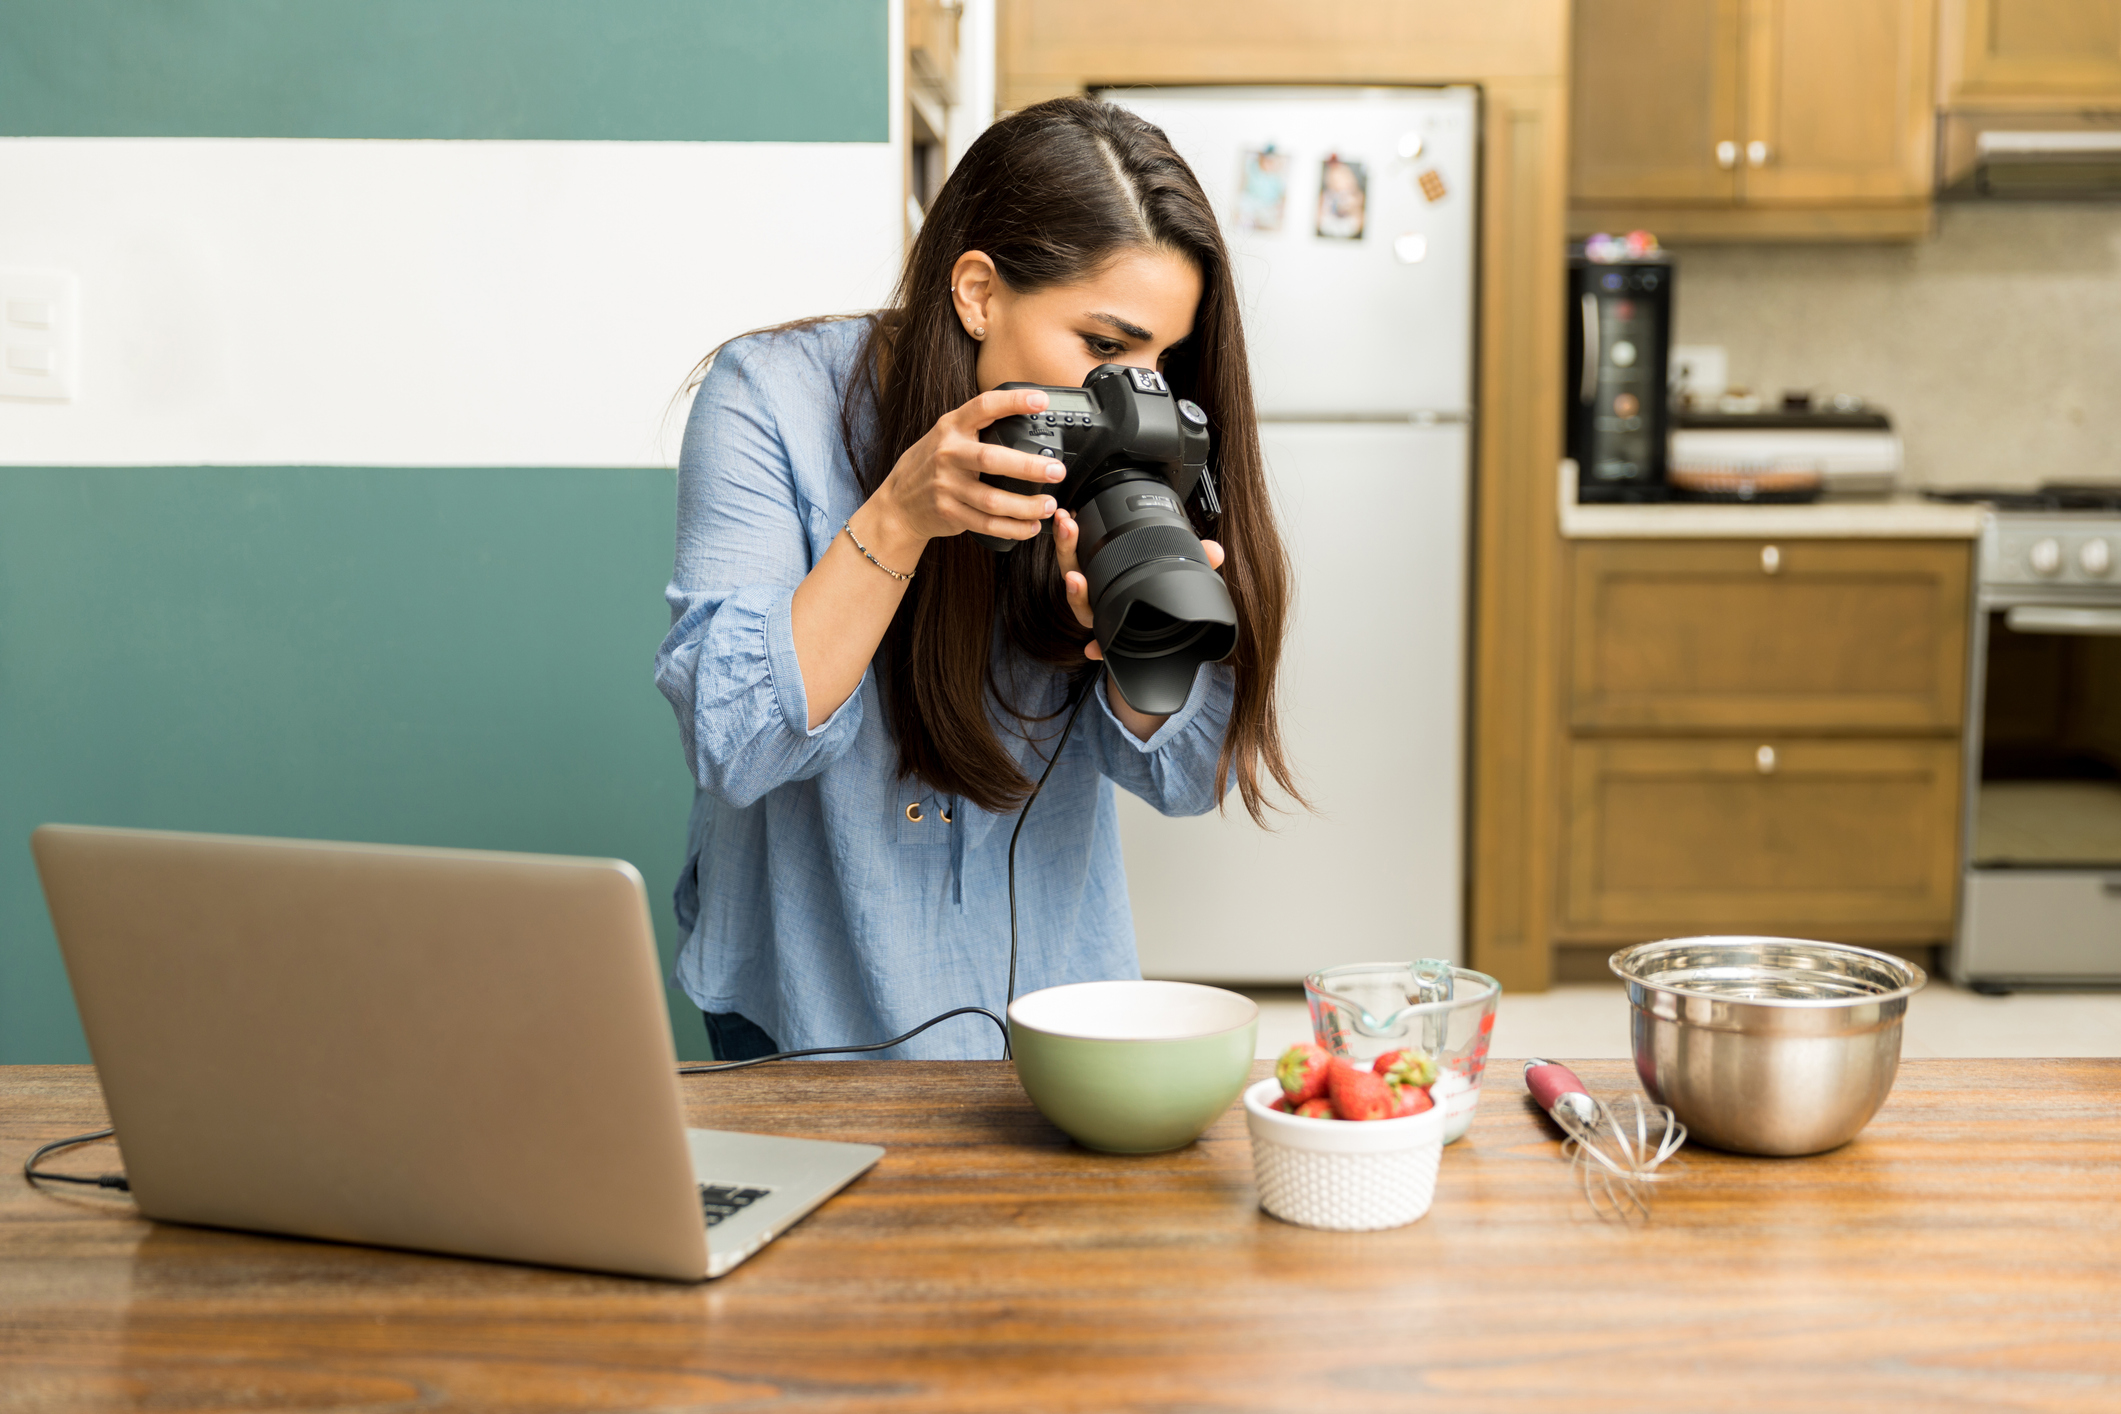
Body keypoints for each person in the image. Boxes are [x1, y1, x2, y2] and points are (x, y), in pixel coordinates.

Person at [655, 97, 1299, 1062]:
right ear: (978, 293)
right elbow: (736, 742)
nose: (1138, 393)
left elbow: (1184, 775)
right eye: (1104, 348)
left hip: (1049, 999)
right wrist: (898, 515)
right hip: (800, 998)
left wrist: (1127, 638)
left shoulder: (1153, 441)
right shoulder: (770, 399)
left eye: (1164, 359)